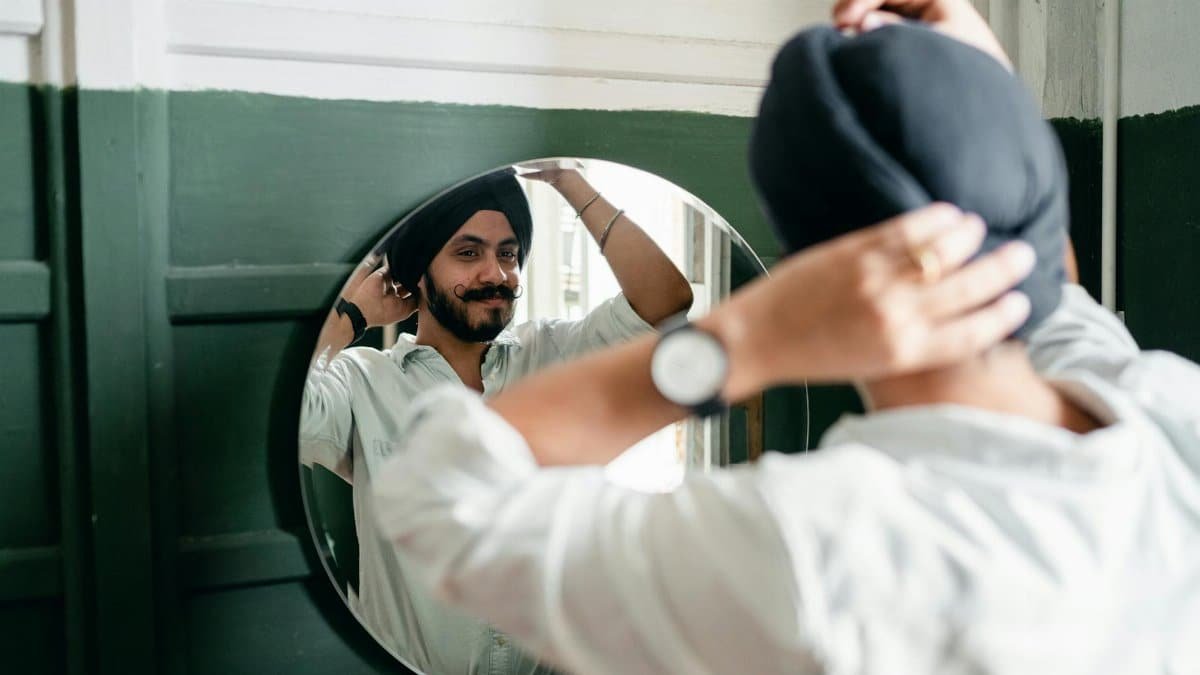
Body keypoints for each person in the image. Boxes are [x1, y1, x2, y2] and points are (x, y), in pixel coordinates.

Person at [370, 3, 1200, 674]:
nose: (494, 272)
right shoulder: (1172, 416)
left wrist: (749, 336)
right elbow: (1063, 305)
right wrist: (977, 93)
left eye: (508, 252)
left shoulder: (809, 553)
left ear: (811, 262)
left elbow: (438, 493)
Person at [300, 167, 693, 673]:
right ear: (419, 272)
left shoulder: (555, 354)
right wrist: (353, 314)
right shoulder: (364, 382)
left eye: (507, 253)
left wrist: (571, 184)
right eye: (468, 253)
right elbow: (297, 415)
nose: (495, 274)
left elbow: (665, 304)